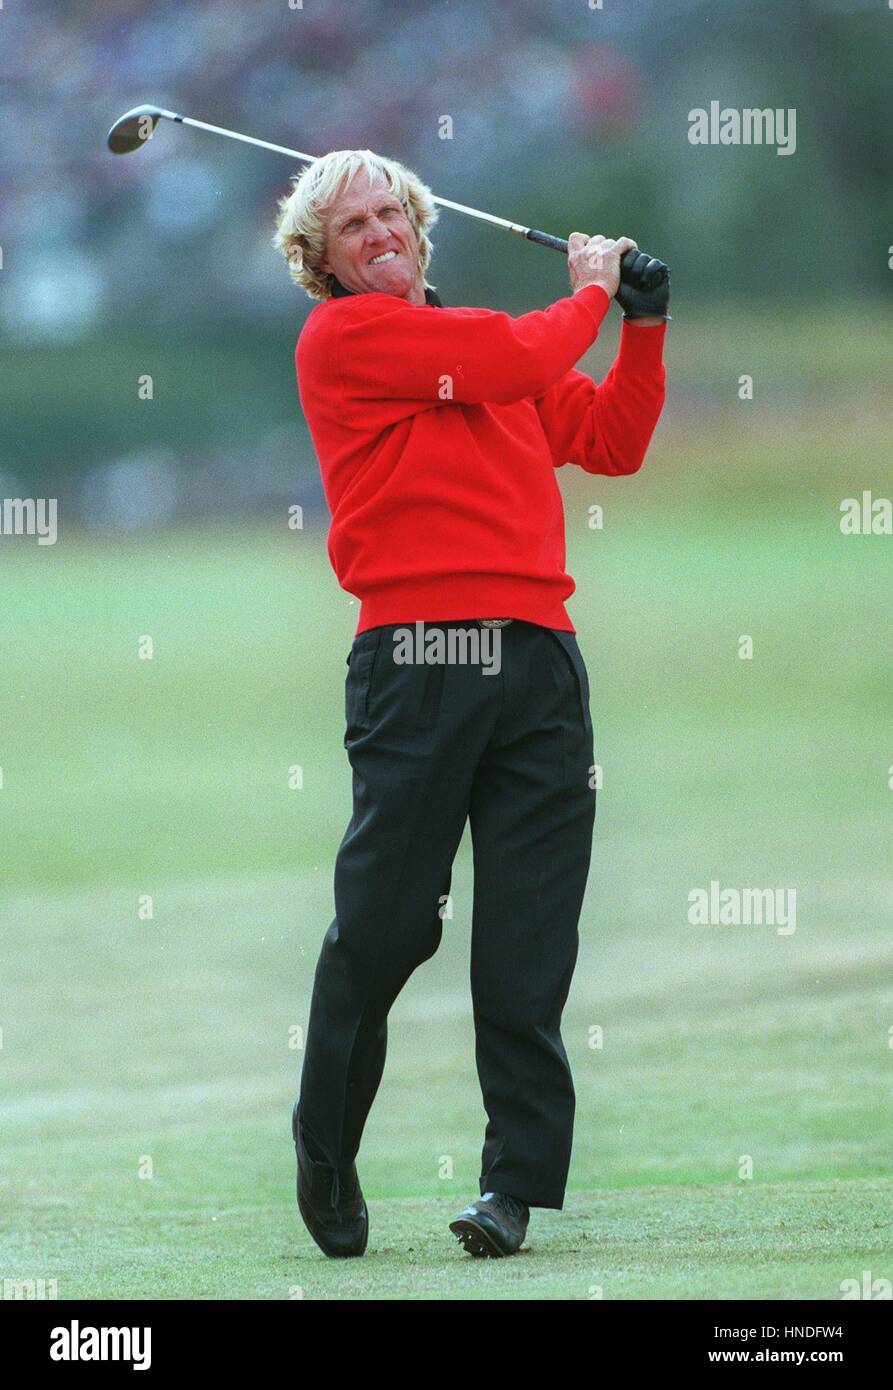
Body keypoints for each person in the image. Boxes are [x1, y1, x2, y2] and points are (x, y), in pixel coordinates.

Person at [273, 149, 668, 1258]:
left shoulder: (488, 344)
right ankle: (324, 1139)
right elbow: (509, 354)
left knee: (527, 943)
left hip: (538, 654)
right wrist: (591, 286)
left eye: (388, 210)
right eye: (350, 225)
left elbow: (611, 440)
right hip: (418, 655)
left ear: (418, 226)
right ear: (323, 260)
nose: (377, 231)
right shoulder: (350, 337)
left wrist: (640, 327)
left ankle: (510, 1189)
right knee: (388, 926)